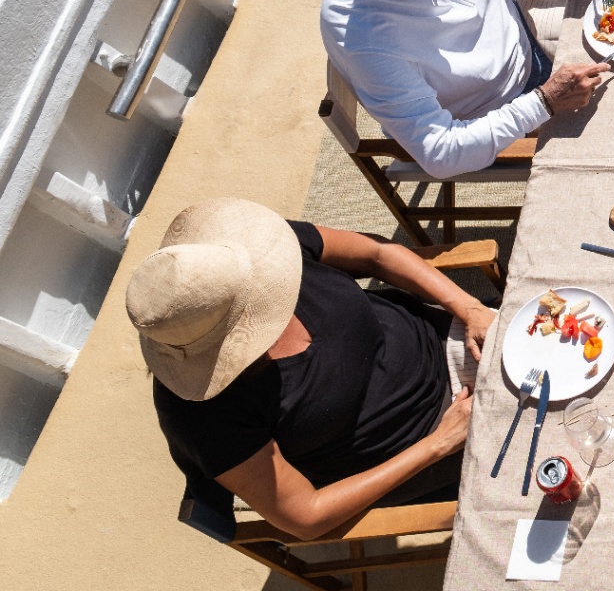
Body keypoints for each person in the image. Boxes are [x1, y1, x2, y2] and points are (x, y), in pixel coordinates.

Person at [128, 198, 497, 539]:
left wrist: (469, 308)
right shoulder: (200, 416)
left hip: (445, 334)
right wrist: (438, 444)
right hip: (425, 440)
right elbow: (305, 515)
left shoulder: (262, 251)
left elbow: (377, 254)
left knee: (533, 337)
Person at [321, 0, 607, 179]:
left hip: (522, 28)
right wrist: (543, 102)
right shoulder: (367, 44)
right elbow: (441, 153)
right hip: (502, 110)